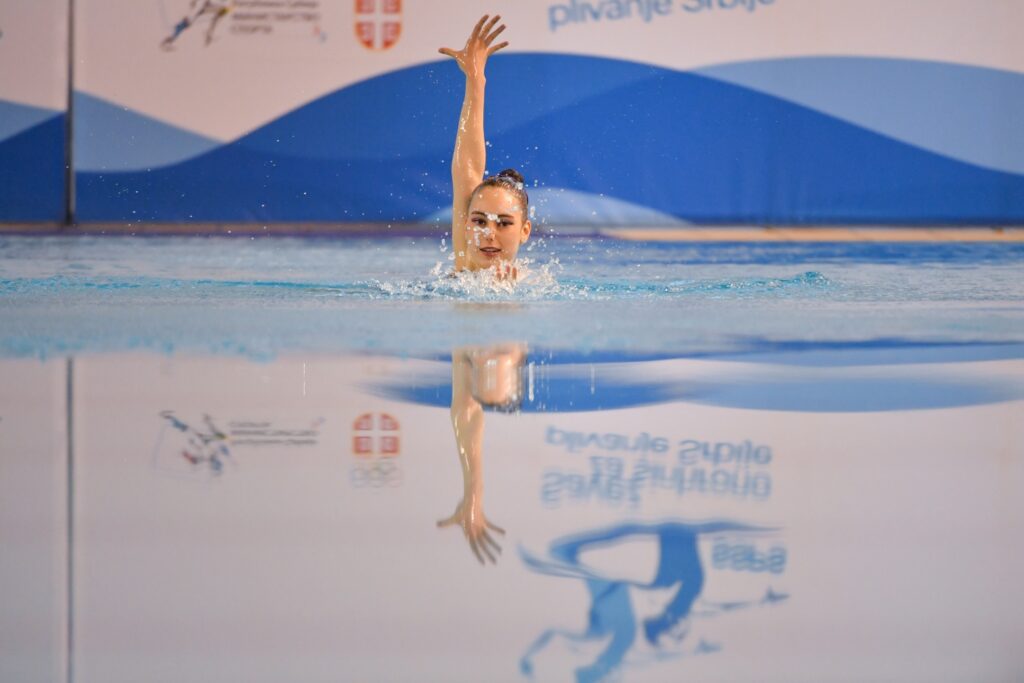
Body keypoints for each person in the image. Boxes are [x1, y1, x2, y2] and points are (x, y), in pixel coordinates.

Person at [439, 16, 531, 279]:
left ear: (524, 231)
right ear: (465, 224)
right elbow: (467, 168)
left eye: (504, 223)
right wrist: (475, 78)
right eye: (479, 221)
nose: (489, 233)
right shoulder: (465, 265)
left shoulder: (534, 287)